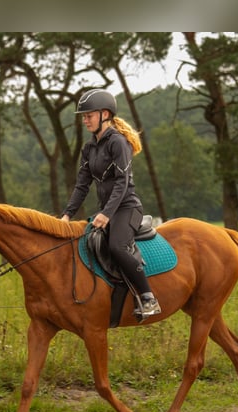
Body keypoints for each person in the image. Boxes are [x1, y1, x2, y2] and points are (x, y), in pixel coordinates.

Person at [61, 88, 161, 319]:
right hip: (108, 210)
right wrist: (67, 214)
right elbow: (82, 185)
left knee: (117, 246)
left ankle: (148, 297)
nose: (84, 120)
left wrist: (105, 214)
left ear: (104, 114)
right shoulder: (89, 148)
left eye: (89, 115)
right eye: (83, 116)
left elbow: (122, 183)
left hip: (127, 208)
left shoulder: (118, 143)